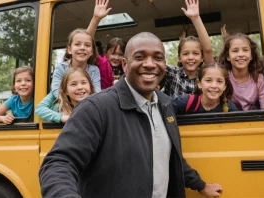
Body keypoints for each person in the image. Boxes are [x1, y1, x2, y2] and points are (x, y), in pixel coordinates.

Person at [39, 30, 222, 197]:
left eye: (158, 58)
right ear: (125, 65)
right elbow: (58, 163)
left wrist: (200, 185)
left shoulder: (165, 104)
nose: (150, 64)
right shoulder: (95, 108)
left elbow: (170, 156)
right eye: (140, 57)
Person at [163, 0, 215, 99]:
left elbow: (208, 50)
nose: (190, 57)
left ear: (202, 57)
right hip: (174, 115)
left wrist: (196, 18)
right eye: (186, 54)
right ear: (179, 58)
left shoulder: (205, 74)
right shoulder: (173, 73)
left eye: (195, 53)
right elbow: (155, 65)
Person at [218, 30, 264, 110]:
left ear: (251, 55)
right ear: (228, 57)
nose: (241, 54)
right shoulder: (224, 78)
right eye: (235, 51)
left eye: (245, 50)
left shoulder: (259, 79)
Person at [51, 28, 101, 98]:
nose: (82, 48)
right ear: (69, 49)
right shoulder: (61, 68)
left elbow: (96, 92)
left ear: (92, 51)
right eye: (77, 44)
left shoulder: (94, 70)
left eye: (87, 45)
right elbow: (56, 90)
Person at [173, 62, 237, 114]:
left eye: (219, 81)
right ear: (199, 83)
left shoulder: (229, 108)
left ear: (225, 86)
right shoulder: (184, 102)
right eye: (208, 80)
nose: (214, 86)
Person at [86, 0, 126, 85]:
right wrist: (96, 18)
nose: (116, 57)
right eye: (113, 53)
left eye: (120, 54)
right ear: (106, 53)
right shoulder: (102, 62)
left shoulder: (127, 68)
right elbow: (87, 41)